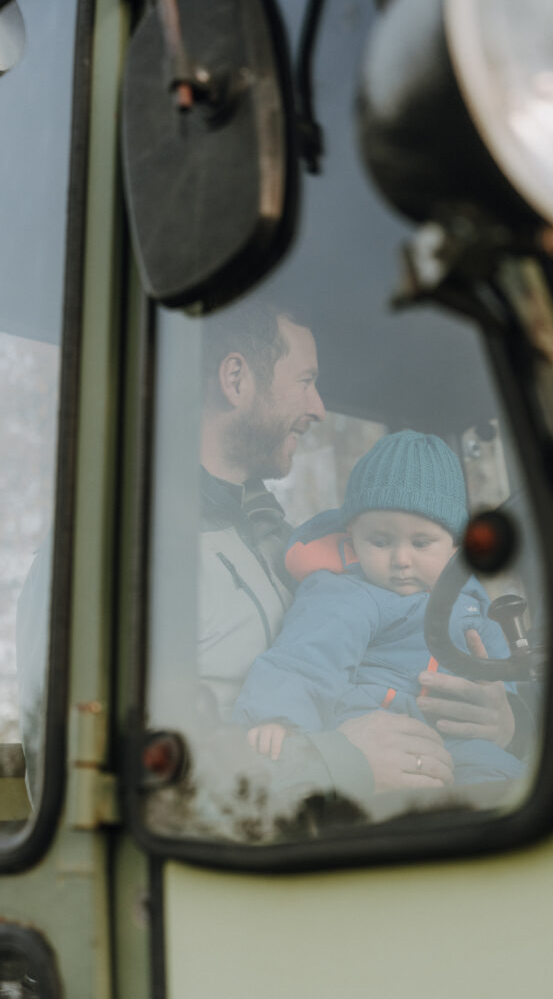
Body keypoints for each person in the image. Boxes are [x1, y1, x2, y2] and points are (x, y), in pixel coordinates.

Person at [198, 307, 532, 800]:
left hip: (456, 753)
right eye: (306, 380)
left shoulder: (272, 537)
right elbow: (304, 662)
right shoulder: (144, 554)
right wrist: (332, 762)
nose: (318, 407)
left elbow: (504, 667)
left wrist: (510, 720)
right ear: (235, 377)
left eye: (422, 542)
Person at [231, 431, 524, 786]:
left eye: (421, 542)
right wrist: (277, 717)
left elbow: (496, 667)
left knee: (505, 783)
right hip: (380, 733)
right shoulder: (346, 592)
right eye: (380, 541)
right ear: (353, 532)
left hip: (461, 738)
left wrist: (506, 706)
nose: (401, 559)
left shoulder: (470, 598)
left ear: (454, 544)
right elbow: (305, 658)